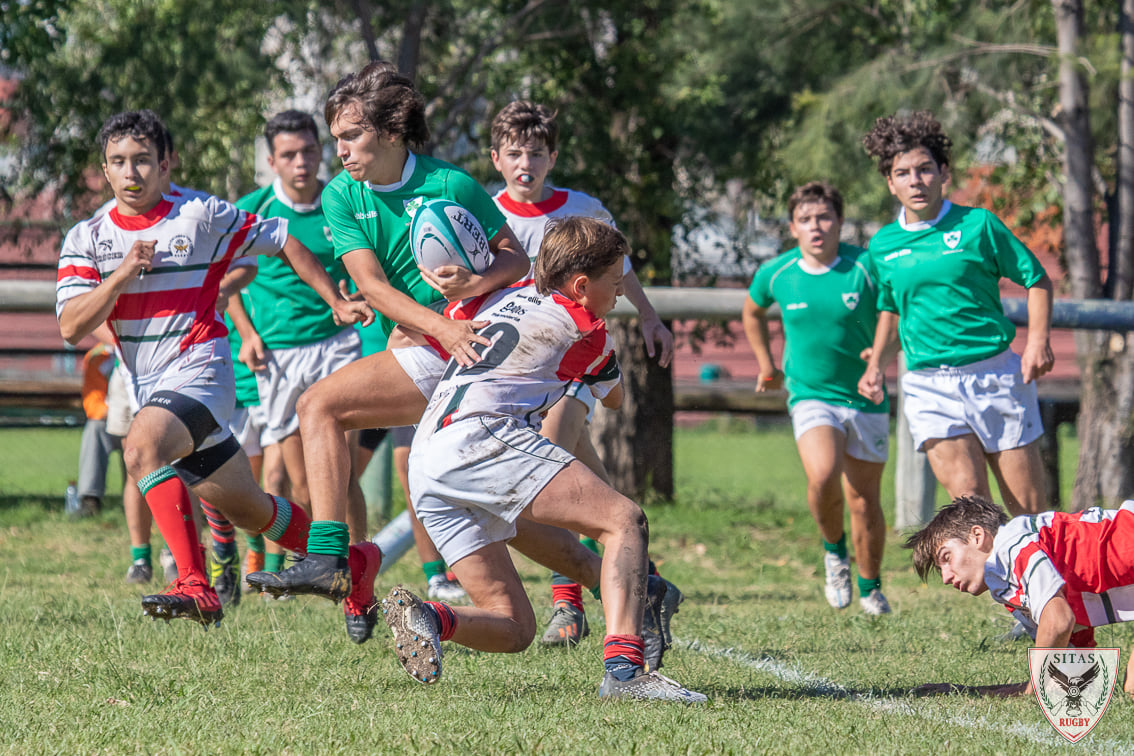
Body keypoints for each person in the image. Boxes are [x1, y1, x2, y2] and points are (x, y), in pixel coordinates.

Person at [56, 109, 378, 627]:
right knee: (250, 508)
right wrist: (118, 277)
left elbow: (284, 238)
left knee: (140, 448)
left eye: (143, 161)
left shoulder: (200, 214)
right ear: (106, 168)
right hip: (149, 387)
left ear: (167, 164)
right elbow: (72, 326)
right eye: (119, 162)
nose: (131, 173)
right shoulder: (86, 238)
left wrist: (333, 301)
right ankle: (355, 568)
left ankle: (195, 584)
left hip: (201, 369)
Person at [247, 62, 530, 641]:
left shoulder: (450, 184)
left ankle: (627, 581)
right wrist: (438, 327)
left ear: (392, 131)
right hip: (433, 345)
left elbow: (515, 259)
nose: (341, 150)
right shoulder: (343, 197)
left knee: (524, 506)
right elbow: (371, 287)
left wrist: (473, 288)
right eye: (337, 139)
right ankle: (335, 558)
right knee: (319, 408)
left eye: (351, 136)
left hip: (482, 351)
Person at [380, 216, 705, 703]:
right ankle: (625, 673)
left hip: (427, 457)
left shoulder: (499, 298)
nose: (618, 295)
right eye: (614, 283)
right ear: (581, 286)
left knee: (514, 626)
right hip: (480, 440)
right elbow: (613, 400)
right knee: (624, 520)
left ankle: (430, 618)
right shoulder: (587, 330)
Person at [488, 99, 678, 644]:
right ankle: (647, 577)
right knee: (587, 483)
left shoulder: (581, 208)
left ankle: (566, 605)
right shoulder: (484, 212)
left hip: (575, 357)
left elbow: (619, 268)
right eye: (516, 153)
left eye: (537, 153)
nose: (527, 163)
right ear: (497, 158)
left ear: (553, 156)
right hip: (518, 370)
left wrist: (646, 313)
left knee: (553, 459)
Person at [857, 110, 1055, 516]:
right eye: (904, 173)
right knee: (972, 505)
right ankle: (1002, 582)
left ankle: (1049, 578)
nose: (916, 180)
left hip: (995, 375)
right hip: (929, 385)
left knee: (1028, 511)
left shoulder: (978, 225)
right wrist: (876, 363)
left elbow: (1037, 280)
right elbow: (892, 309)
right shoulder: (882, 246)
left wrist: (1037, 342)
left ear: (943, 173)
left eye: (925, 169)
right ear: (890, 183)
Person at [225, 109, 379, 619]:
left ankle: (358, 587)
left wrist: (363, 290)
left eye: (309, 151)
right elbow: (226, 284)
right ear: (271, 161)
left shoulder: (345, 199)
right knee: (298, 479)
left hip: (337, 343)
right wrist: (246, 335)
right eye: (288, 154)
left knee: (339, 473)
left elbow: (376, 256)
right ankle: (322, 566)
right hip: (278, 355)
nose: (301, 162)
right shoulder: (252, 210)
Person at [742, 181, 891, 615]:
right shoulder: (778, 273)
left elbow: (893, 313)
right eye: (806, 220)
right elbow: (752, 311)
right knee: (824, 475)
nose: (816, 227)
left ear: (840, 222)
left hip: (866, 396)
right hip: (810, 395)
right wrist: (767, 365)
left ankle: (871, 586)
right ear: (793, 227)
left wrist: (879, 359)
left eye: (824, 217)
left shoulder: (866, 267)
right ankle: (833, 553)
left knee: (864, 500)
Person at [906, 495, 1134, 697]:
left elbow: (1059, 622)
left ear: (977, 536)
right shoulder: (1007, 585)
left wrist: (1033, 689)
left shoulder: (1010, 547)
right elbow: (1072, 675)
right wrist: (968, 692)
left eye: (947, 557)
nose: (945, 577)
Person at [75, 337, 118, 519]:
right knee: (95, 429)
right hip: (112, 420)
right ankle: (90, 500)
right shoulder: (97, 356)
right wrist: (118, 413)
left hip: (148, 418)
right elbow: (93, 405)